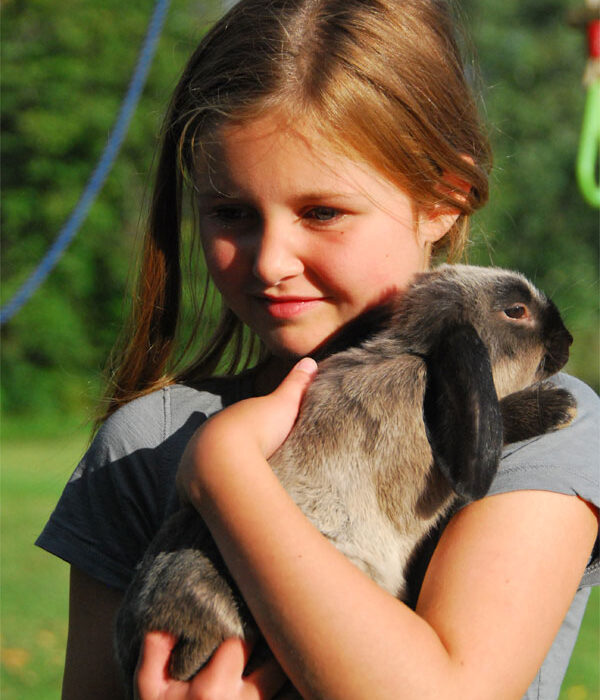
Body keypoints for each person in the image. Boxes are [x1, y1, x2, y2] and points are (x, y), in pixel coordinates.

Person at [36, 1, 599, 698]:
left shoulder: (540, 426)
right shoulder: (144, 442)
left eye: (322, 212)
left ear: (443, 196)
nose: (271, 260)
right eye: (232, 212)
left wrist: (227, 471)